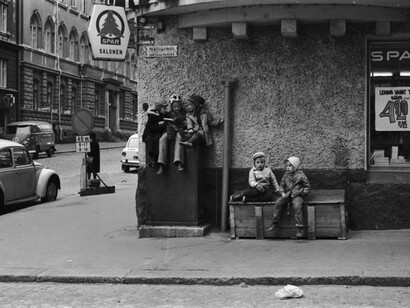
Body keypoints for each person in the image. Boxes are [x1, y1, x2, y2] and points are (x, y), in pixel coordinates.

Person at [268, 156, 311, 239]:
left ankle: (300, 228)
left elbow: (307, 187)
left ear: (295, 167)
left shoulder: (301, 176)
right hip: (288, 194)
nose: (287, 168)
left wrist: (302, 192)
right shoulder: (285, 176)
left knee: (297, 207)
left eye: (290, 166)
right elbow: (282, 185)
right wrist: (282, 193)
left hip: (297, 195)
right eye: (286, 166)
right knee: (278, 203)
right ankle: (275, 223)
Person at [157, 94, 186, 174]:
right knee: (162, 139)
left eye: (178, 107)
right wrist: (169, 124)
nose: (176, 108)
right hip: (170, 131)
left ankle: (179, 162)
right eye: (174, 107)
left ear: (180, 106)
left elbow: (188, 123)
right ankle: (161, 164)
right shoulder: (169, 114)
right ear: (171, 107)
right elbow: (166, 123)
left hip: (179, 130)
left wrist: (183, 123)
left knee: (179, 138)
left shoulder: (184, 113)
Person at [142, 99, 168, 167]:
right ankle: (152, 159)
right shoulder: (153, 115)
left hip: (157, 133)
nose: (165, 110)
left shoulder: (165, 115)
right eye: (164, 108)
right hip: (149, 134)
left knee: (157, 138)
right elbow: (150, 128)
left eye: (166, 108)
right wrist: (158, 124)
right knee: (151, 139)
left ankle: (156, 159)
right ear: (159, 108)